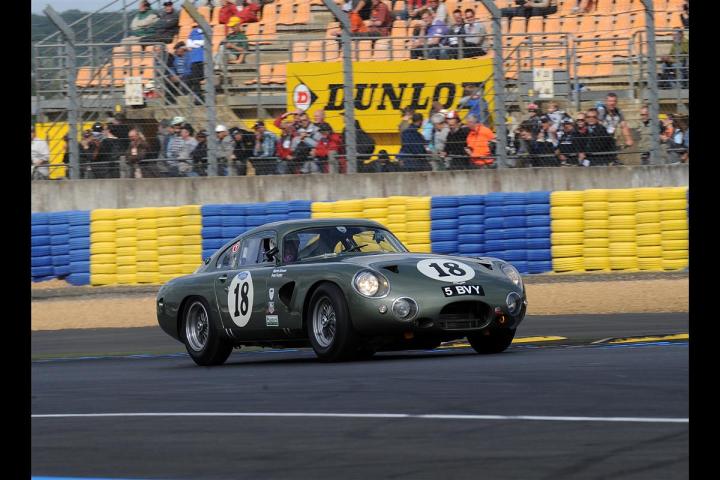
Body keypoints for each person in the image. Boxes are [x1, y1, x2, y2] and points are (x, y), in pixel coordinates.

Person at [186, 25, 206, 104]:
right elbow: (188, 45)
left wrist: (194, 43)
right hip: (194, 60)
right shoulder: (193, 32)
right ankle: (198, 98)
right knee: (195, 80)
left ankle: (202, 97)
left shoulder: (206, 31)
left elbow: (205, 42)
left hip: (203, 59)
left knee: (202, 78)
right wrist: (199, 44)